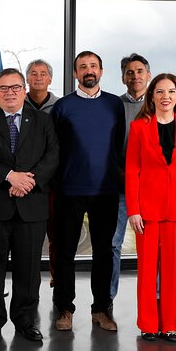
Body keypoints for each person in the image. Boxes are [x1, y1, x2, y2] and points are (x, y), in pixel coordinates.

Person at [0, 68, 59, 342]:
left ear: (24, 90)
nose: (10, 93)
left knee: (29, 270)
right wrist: (10, 177)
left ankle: (25, 322)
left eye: (15, 87)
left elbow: (53, 155)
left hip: (31, 206)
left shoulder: (43, 121)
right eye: (4, 88)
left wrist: (28, 182)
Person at [126, 73, 176, 343]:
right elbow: (132, 170)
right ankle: (148, 324)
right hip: (146, 210)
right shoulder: (139, 128)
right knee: (147, 270)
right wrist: (133, 210)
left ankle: (170, 324)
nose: (166, 96)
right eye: (160, 91)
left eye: (171, 91)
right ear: (152, 96)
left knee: (172, 271)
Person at [51, 51, 125, 332]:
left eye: (93, 66)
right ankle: (65, 310)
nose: (88, 70)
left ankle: (101, 310)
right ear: (75, 74)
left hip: (105, 189)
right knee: (65, 252)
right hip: (70, 189)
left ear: (101, 72)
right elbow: (56, 147)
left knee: (103, 252)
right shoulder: (63, 107)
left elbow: (117, 145)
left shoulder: (114, 104)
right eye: (82, 67)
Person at [111, 53, 152, 299]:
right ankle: (107, 298)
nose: (135, 76)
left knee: (151, 246)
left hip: (150, 187)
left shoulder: (159, 104)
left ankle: (154, 296)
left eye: (139, 71)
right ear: (123, 77)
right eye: (129, 72)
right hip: (119, 184)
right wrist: (119, 173)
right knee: (112, 244)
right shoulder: (113, 105)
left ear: (148, 75)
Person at [24, 59, 59, 287]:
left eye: (43, 73)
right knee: (29, 236)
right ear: (27, 78)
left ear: (50, 79)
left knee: (55, 233)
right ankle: (29, 279)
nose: (38, 77)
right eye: (33, 73)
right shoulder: (17, 103)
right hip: (24, 180)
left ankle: (56, 277)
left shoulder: (60, 106)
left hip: (52, 179)